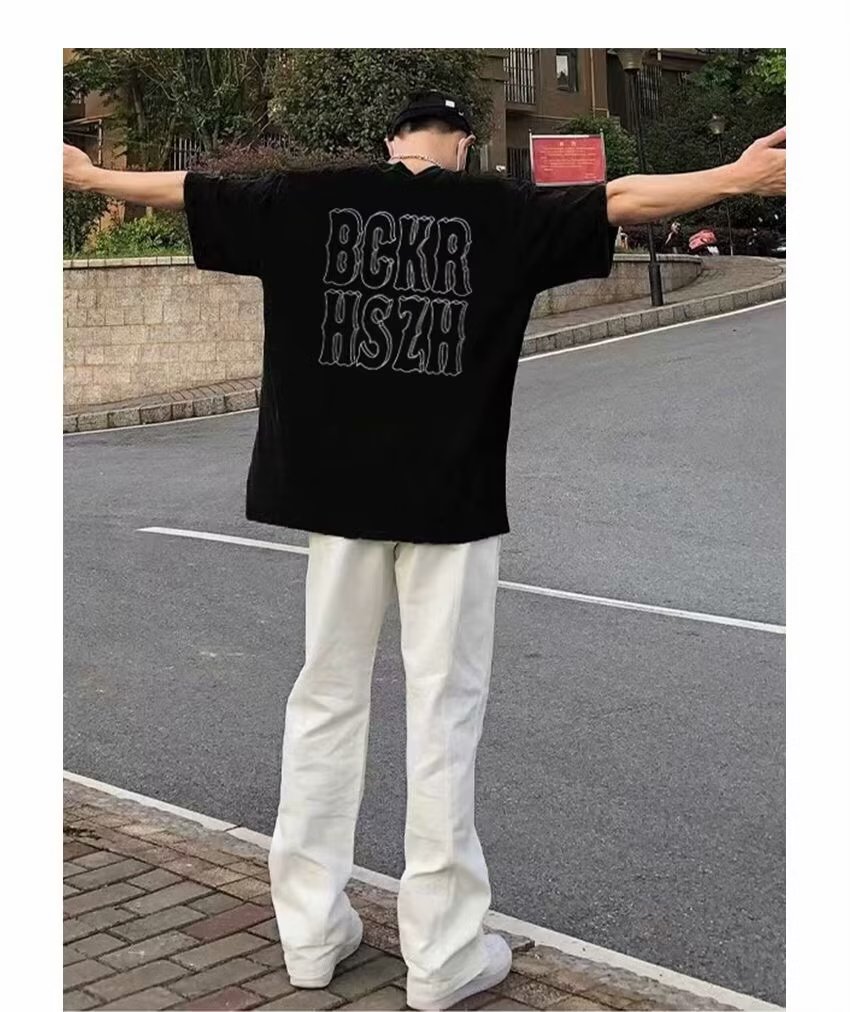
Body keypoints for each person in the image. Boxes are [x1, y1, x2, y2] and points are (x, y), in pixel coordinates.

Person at [63, 92, 786, 1011]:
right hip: (451, 501)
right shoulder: (501, 209)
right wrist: (740, 174)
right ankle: (443, 959)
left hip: (334, 500)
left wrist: (87, 174)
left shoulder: (305, 200)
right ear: (464, 145)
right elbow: (625, 197)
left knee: (324, 701)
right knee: (445, 712)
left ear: (389, 141)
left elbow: (190, 189)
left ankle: (310, 938)